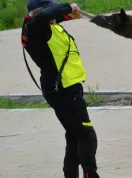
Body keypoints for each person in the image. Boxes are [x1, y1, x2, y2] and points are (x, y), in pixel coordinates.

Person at [21, 0, 100, 177]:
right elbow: (45, 16)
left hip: (67, 87)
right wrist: (68, 6)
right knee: (86, 134)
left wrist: (73, 12)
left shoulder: (43, 24)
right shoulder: (37, 25)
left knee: (74, 135)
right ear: (39, 11)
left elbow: (55, 16)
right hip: (62, 90)